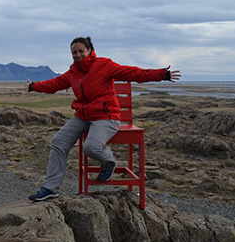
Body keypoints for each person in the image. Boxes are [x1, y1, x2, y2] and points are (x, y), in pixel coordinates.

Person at [27, 36, 181, 201]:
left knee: (91, 147)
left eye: (81, 51)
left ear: (89, 50)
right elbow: (54, 84)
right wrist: (33, 86)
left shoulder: (104, 65)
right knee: (58, 142)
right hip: (83, 116)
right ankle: (50, 189)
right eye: (74, 53)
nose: (78, 55)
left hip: (106, 116)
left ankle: (109, 162)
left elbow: (132, 73)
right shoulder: (73, 72)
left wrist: (162, 74)